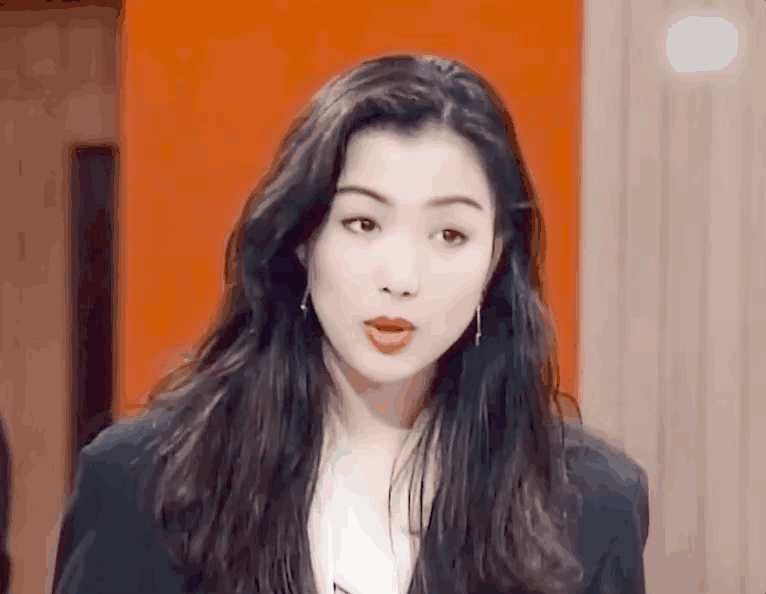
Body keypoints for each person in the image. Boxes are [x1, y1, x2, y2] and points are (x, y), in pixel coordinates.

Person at [51, 54, 649, 594]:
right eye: (363, 223)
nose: (401, 278)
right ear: (303, 237)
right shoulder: (142, 482)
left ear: (494, 259)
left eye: (449, 234)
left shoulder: (592, 504)